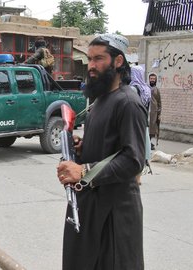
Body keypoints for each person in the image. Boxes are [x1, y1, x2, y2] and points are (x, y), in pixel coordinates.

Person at [56, 34, 146, 269]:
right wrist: (82, 148)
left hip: (115, 212)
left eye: (99, 59)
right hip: (91, 204)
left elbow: (133, 159)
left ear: (118, 61)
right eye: (90, 59)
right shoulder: (101, 100)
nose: (92, 66)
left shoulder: (128, 102)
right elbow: (109, 146)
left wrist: (84, 171)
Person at [149, 73, 162, 150]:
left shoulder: (157, 90)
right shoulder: (146, 88)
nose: (152, 80)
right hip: (147, 112)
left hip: (154, 113)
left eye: (154, 79)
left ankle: (149, 142)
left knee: (152, 128)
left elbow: (159, 102)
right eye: (151, 79)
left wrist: (159, 113)